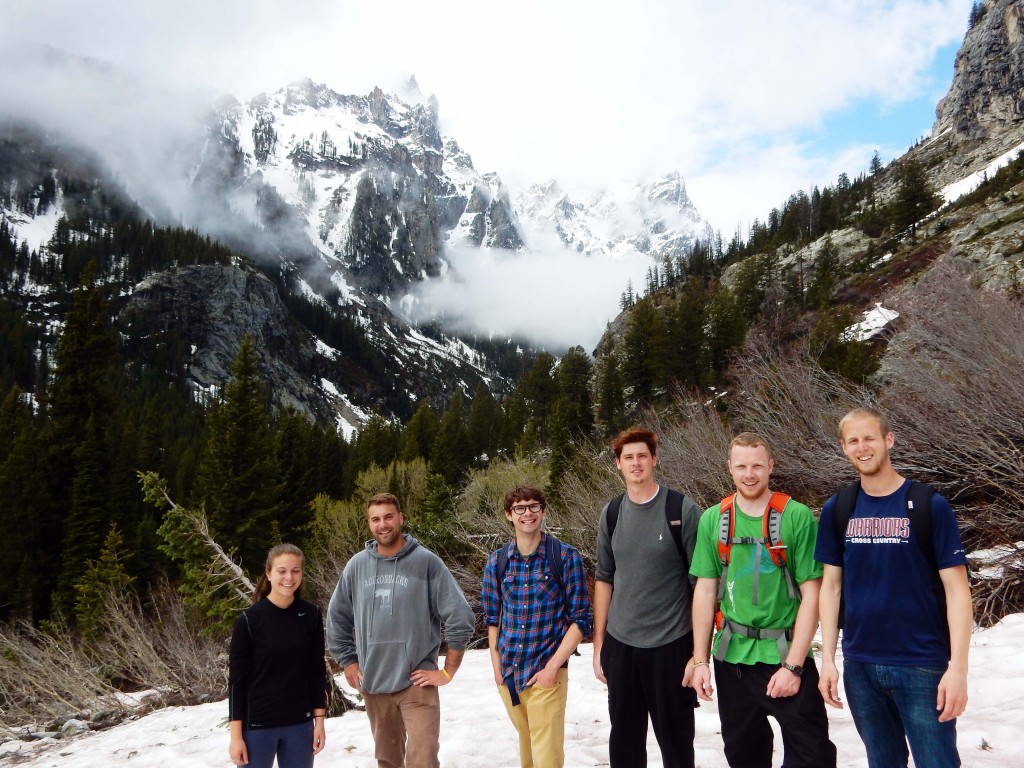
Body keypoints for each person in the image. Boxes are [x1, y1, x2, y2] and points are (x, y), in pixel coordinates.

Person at [815, 407, 972, 768]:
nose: (862, 447)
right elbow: (831, 587)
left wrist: (958, 670)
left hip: (922, 665)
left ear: (888, 440)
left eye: (869, 437)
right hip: (861, 666)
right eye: (853, 440)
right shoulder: (838, 508)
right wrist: (828, 660)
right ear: (843, 447)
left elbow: (957, 591)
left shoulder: (929, 504)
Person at [686, 432, 836, 768]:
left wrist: (794, 666)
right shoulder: (714, 520)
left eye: (756, 465)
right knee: (744, 754)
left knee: (813, 755)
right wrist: (699, 661)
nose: (749, 474)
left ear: (770, 466)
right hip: (732, 659)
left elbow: (812, 593)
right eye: (741, 466)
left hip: (783, 654)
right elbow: (705, 591)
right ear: (729, 468)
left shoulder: (795, 517)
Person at [326, 492, 474, 768]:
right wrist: (347, 661)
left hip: (416, 681)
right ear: (369, 524)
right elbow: (337, 617)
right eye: (376, 519)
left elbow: (460, 615)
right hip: (374, 681)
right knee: (388, 760)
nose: (383, 524)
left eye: (388, 517)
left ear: (401, 518)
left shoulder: (426, 562)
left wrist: (448, 670)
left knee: (424, 757)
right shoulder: (357, 566)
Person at [593, 426, 702, 768]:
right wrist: (599, 645)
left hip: (671, 643)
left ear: (654, 460)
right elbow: (604, 578)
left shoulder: (681, 510)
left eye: (642, 456)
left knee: (677, 743)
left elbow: (703, 584)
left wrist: (698, 655)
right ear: (618, 465)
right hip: (622, 645)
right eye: (629, 458)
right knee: (624, 744)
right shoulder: (611, 514)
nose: (636, 463)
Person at [482, 485, 592, 768]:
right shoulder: (497, 562)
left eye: (533, 506)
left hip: (547, 672)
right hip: (510, 674)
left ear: (543, 511)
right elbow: (492, 619)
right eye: (520, 508)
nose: (527, 513)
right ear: (509, 515)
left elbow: (581, 619)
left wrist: (553, 668)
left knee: (547, 757)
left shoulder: (565, 557)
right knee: (528, 752)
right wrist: (497, 669)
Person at [228, 543, 327, 768]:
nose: (289, 578)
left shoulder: (311, 615)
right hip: (257, 728)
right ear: (269, 573)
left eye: (295, 570)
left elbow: (316, 672)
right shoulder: (249, 621)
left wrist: (318, 722)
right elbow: (237, 682)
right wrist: (236, 737)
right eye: (282, 571)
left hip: (300, 726)